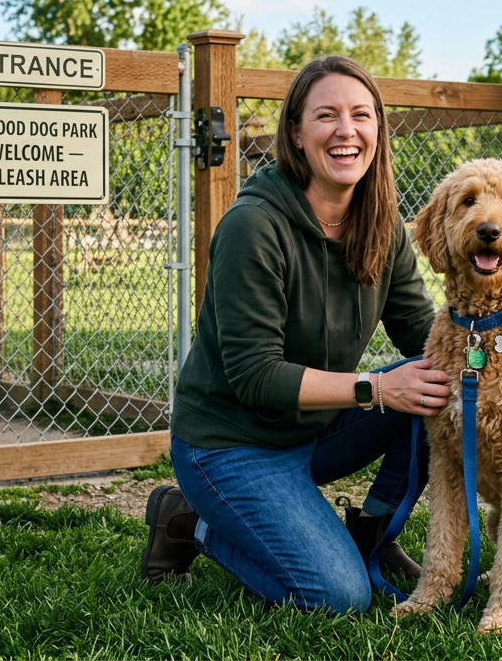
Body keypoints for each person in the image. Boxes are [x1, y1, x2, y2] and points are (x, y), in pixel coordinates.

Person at [142, 56, 453, 614]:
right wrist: (379, 390)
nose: (346, 131)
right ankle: (190, 522)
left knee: (433, 383)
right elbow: (255, 375)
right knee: (339, 597)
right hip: (231, 445)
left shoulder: (381, 224)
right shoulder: (253, 226)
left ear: (378, 131)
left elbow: (423, 336)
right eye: (326, 115)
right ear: (296, 132)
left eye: (361, 115)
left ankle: (371, 536)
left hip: (314, 432)